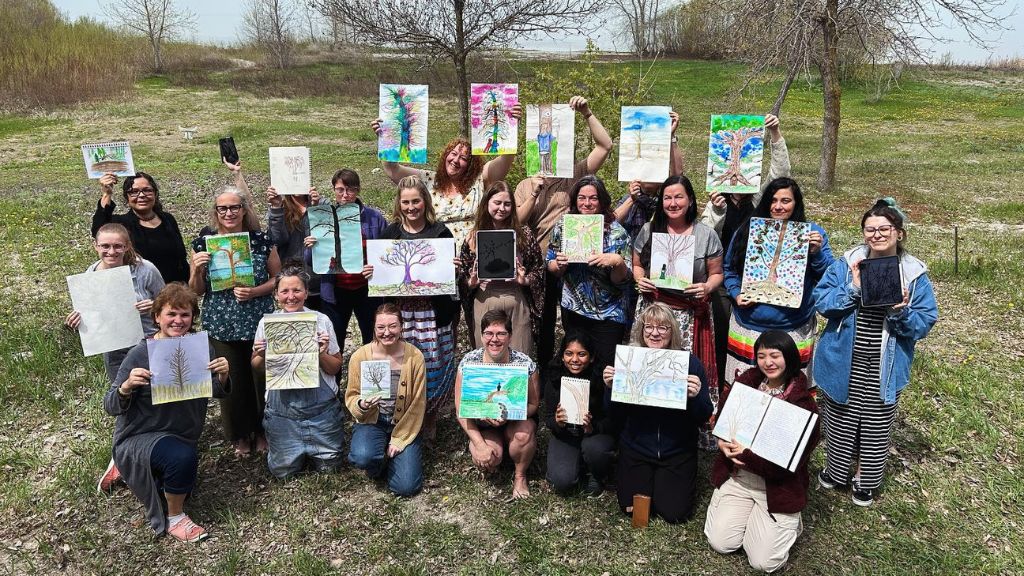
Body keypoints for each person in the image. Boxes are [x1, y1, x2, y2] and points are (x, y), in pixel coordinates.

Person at [813, 198, 937, 506]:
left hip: (885, 361)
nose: (877, 234)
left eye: (884, 228)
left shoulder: (913, 273)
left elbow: (924, 322)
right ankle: (835, 471)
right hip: (845, 356)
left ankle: (865, 479)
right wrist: (853, 288)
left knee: (876, 422)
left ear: (899, 233)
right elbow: (822, 301)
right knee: (839, 415)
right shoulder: (847, 264)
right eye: (870, 229)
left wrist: (900, 311)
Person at [104, 283, 230, 542]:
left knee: (183, 474)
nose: (178, 320)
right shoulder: (141, 353)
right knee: (181, 459)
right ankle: (175, 518)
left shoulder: (200, 348)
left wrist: (224, 376)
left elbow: (215, 390)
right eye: (171, 314)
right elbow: (110, 405)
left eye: (185, 314)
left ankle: (143, 473)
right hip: (139, 435)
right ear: (157, 317)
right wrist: (126, 387)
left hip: (182, 433)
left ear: (193, 318)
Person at [704, 330, 820, 572]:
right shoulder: (745, 383)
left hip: (776, 486)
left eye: (775, 356)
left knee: (763, 562)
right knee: (721, 542)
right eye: (761, 356)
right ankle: (748, 516)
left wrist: (747, 455)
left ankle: (787, 523)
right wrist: (721, 441)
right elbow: (724, 419)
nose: (768, 362)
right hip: (739, 478)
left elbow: (785, 465)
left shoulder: (803, 405)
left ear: (788, 357)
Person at [66, 223, 165, 494]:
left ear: (127, 246)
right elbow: (90, 315)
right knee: (125, 398)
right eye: (105, 246)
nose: (112, 251)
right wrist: (77, 320)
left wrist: (154, 306)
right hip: (115, 349)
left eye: (118, 246)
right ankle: (122, 458)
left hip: (148, 343)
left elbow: (168, 302)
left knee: (156, 396)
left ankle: (154, 450)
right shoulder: (89, 277)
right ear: (95, 246)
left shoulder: (145, 270)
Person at [514, 95, 613, 366]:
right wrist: (534, 193)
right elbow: (517, 222)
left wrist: (587, 113)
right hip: (542, 265)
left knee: (574, 326)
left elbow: (605, 146)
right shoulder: (525, 184)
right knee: (544, 324)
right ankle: (545, 373)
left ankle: (576, 374)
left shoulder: (575, 174)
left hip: (576, 262)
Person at [632, 175, 724, 449]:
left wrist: (707, 287)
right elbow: (636, 264)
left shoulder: (705, 234)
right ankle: (647, 420)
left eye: (678, 197)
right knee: (650, 365)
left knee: (684, 370)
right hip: (654, 310)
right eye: (667, 198)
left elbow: (717, 273)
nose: (672, 203)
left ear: (691, 200)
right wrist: (640, 279)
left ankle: (685, 426)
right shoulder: (650, 230)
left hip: (689, 313)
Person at [189, 187, 281, 456]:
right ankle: (239, 434)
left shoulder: (261, 241)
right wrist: (197, 270)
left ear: (244, 210)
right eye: (223, 208)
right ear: (216, 212)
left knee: (261, 377)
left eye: (234, 207)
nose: (229, 213)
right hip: (221, 322)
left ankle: (263, 430)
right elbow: (196, 290)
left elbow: (278, 278)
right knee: (231, 379)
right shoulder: (203, 244)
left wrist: (254, 291)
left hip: (257, 319)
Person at [701, 114, 790, 387]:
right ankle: (723, 386)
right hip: (723, 282)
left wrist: (775, 134)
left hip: (758, 280)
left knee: (756, 340)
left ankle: (760, 385)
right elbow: (704, 238)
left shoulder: (759, 200)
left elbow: (781, 175)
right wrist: (717, 211)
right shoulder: (716, 202)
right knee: (722, 336)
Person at [603, 302, 713, 524]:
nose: (655, 333)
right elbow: (612, 415)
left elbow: (703, 416)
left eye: (662, 327)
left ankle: (665, 483)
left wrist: (696, 396)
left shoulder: (690, 364)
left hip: (676, 451)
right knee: (632, 509)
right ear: (641, 330)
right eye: (649, 327)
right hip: (637, 448)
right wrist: (610, 389)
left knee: (674, 513)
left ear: (673, 331)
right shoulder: (629, 361)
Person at [722, 177, 833, 386]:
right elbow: (728, 268)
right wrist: (736, 293)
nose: (778, 206)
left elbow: (829, 276)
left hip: (793, 328)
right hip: (748, 326)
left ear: (796, 203)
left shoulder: (812, 234)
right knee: (746, 390)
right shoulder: (748, 230)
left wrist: (816, 253)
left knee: (789, 392)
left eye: (785, 201)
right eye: (773, 200)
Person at [372, 175, 459, 443]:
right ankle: (402, 415)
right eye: (406, 202)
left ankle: (430, 416)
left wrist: (453, 269)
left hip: (432, 315)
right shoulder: (390, 234)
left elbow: (450, 281)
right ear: (399, 204)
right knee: (401, 363)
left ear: (425, 202)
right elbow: (383, 272)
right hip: (400, 314)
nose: (411, 207)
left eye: (416, 201)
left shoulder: (440, 233)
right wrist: (373, 273)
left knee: (431, 364)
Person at [372, 107, 522, 250]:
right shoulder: (427, 179)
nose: (456, 160)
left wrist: (511, 126)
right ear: (445, 156)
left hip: (473, 253)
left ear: (471, 165)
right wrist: (386, 139)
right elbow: (392, 169)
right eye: (453, 154)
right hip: (437, 254)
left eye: (463, 158)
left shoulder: (480, 179)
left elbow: (505, 159)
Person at [252, 266, 344, 479]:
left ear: (306, 292)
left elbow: (335, 367)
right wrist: (262, 354)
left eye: (297, 290)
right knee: (283, 472)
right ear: (276, 294)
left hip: (321, 412)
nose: (291, 296)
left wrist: (320, 353)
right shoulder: (267, 323)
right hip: (282, 414)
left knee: (330, 469)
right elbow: (256, 367)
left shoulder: (321, 320)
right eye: (284, 291)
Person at [547, 175, 632, 371]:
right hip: (573, 310)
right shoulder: (563, 226)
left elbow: (623, 280)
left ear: (602, 201)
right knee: (576, 367)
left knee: (605, 369)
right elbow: (550, 264)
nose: (587, 203)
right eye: (582, 198)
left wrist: (616, 262)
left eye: (593, 198)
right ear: (575, 200)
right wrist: (558, 265)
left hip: (609, 314)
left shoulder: (617, 233)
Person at [455, 309, 541, 498]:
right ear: (481, 335)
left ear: (510, 336)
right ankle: (487, 446)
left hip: (515, 423)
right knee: (491, 458)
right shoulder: (469, 363)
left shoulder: (525, 363)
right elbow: (461, 409)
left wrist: (509, 413)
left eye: (501, 333)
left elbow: (534, 405)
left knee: (523, 435)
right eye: (489, 333)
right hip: (484, 425)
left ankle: (520, 475)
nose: (494, 339)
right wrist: (479, 444)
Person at [345, 303, 427, 496]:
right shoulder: (360, 356)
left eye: (393, 326)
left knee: (406, 488)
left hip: (404, 422)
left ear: (401, 327)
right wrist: (361, 405)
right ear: (374, 328)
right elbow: (351, 395)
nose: (387, 332)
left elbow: (418, 403)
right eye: (381, 327)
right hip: (372, 421)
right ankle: (379, 460)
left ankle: (395, 452)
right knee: (363, 457)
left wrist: (400, 439)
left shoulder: (415, 357)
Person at [457, 181, 544, 352]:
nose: (502, 208)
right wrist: (471, 282)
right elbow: (463, 276)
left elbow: (539, 270)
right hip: (485, 299)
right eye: (497, 203)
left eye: (507, 204)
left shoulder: (524, 234)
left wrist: (524, 280)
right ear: (486, 203)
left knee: (519, 357)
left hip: (516, 299)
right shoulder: (473, 236)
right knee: (488, 358)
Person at [307, 169, 387, 349]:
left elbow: (386, 253)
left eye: (350, 189)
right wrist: (311, 247)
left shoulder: (374, 218)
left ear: (358, 190)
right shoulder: (323, 217)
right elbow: (312, 262)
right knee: (334, 340)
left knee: (373, 338)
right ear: (333, 190)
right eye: (340, 189)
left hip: (367, 288)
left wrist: (375, 267)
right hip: (335, 289)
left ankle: (372, 366)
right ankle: (335, 368)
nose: (345, 195)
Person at [543, 331, 615, 495]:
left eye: (581, 354)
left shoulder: (602, 379)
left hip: (595, 436)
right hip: (566, 435)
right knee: (562, 481)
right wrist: (558, 423)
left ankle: (597, 473)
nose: (574, 359)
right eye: (569, 353)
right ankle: (578, 465)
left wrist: (593, 427)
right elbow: (548, 418)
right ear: (562, 356)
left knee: (595, 450)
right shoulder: (554, 378)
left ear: (591, 357)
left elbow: (613, 419)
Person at [91, 171, 189, 284]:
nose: (141, 195)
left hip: (175, 289)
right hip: (141, 289)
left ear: (155, 194)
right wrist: (107, 194)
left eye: (147, 190)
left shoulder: (168, 219)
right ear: (127, 197)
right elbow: (99, 230)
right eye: (134, 192)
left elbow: (181, 258)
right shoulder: (121, 224)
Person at [613, 110, 685, 239]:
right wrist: (632, 199)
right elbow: (612, 224)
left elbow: (678, 175)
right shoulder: (629, 199)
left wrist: (671, 137)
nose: (648, 174)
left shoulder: (667, 200)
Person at [266, 183, 320, 307]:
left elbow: (324, 237)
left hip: (318, 283)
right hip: (290, 284)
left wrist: (315, 209)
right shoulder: (280, 207)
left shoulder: (321, 203)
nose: (297, 184)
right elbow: (276, 240)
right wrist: (276, 207)